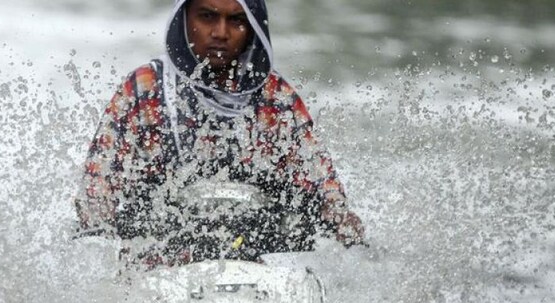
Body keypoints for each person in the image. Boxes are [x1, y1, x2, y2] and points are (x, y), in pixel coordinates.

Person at [75, 0, 365, 266]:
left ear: (253, 28)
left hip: (257, 269)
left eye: (237, 20)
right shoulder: (145, 88)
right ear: (183, 19)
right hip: (156, 266)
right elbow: (98, 185)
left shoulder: (276, 98)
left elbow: (322, 184)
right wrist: (99, 223)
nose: (221, 33)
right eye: (207, 16)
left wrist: (342, 223)